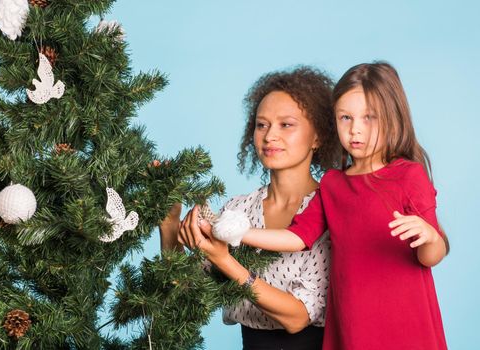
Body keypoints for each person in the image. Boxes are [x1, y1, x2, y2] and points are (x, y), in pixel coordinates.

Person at [236, 62, 448, 349]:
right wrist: (237, 232)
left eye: (369, 118)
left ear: (392, 118)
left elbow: (430, 256)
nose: (355, 130)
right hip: (354, 324)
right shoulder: (333, 184)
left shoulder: (408, 175)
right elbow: (296, 237)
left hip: (405, 322)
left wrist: (429, 236)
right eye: (345, 118)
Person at [160, 66, 340, 349]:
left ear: (318, 136)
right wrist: (169, 226)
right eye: (262, 124)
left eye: (286, 124)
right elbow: (186, 294)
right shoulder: (238, 210)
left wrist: (225, 261)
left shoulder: (330, 211)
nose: (269, 136)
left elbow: (298, 317)